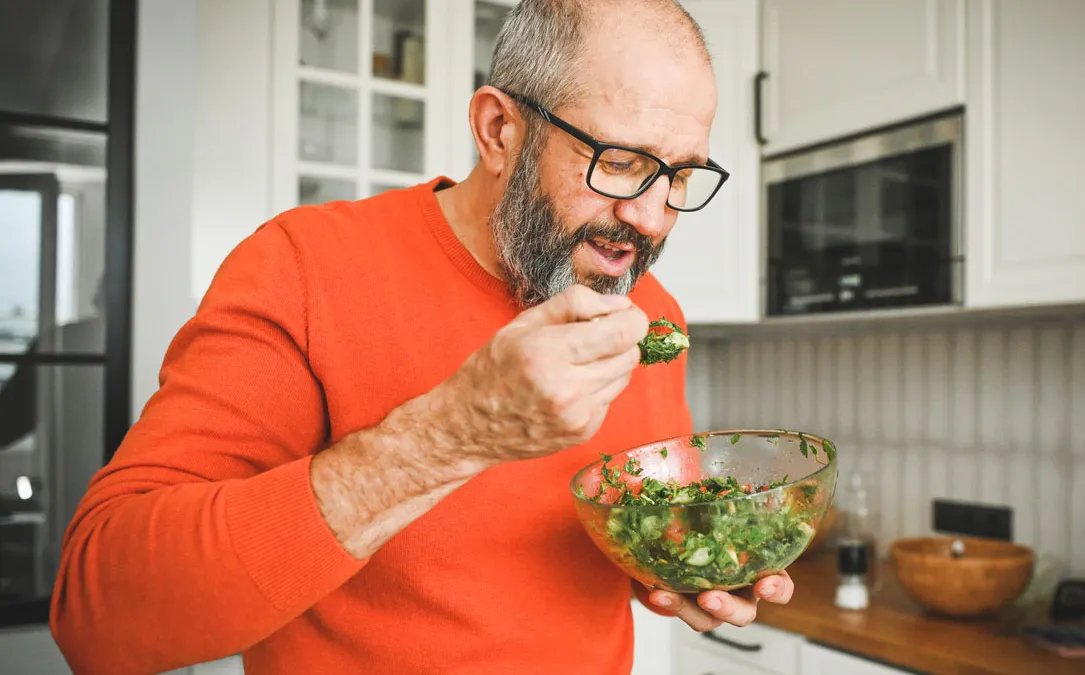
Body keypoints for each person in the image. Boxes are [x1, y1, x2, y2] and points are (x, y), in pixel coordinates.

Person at [50, 1, 795, 672]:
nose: (655, 217)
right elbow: (98, 617)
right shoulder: (304, 268)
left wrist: (693, 560)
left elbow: (617, 539)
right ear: (499, 129)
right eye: (624, 163)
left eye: (682, 177)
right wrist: (448, 435)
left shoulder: (650, 310)